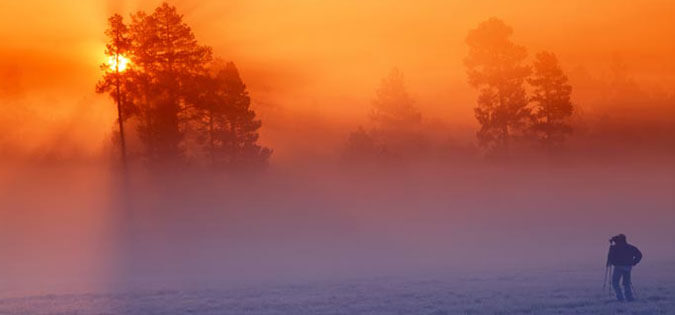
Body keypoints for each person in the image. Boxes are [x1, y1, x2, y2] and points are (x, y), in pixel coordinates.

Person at [606, 234, 642, 301]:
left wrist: (612, 262)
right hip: (628, 266)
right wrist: (634, 262)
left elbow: (610, 257)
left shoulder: (615, 247)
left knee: (615, 282)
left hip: (618, 266)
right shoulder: (630, 247)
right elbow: (639, 255)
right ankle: (629, 298)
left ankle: (620, 298)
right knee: (626, 283)